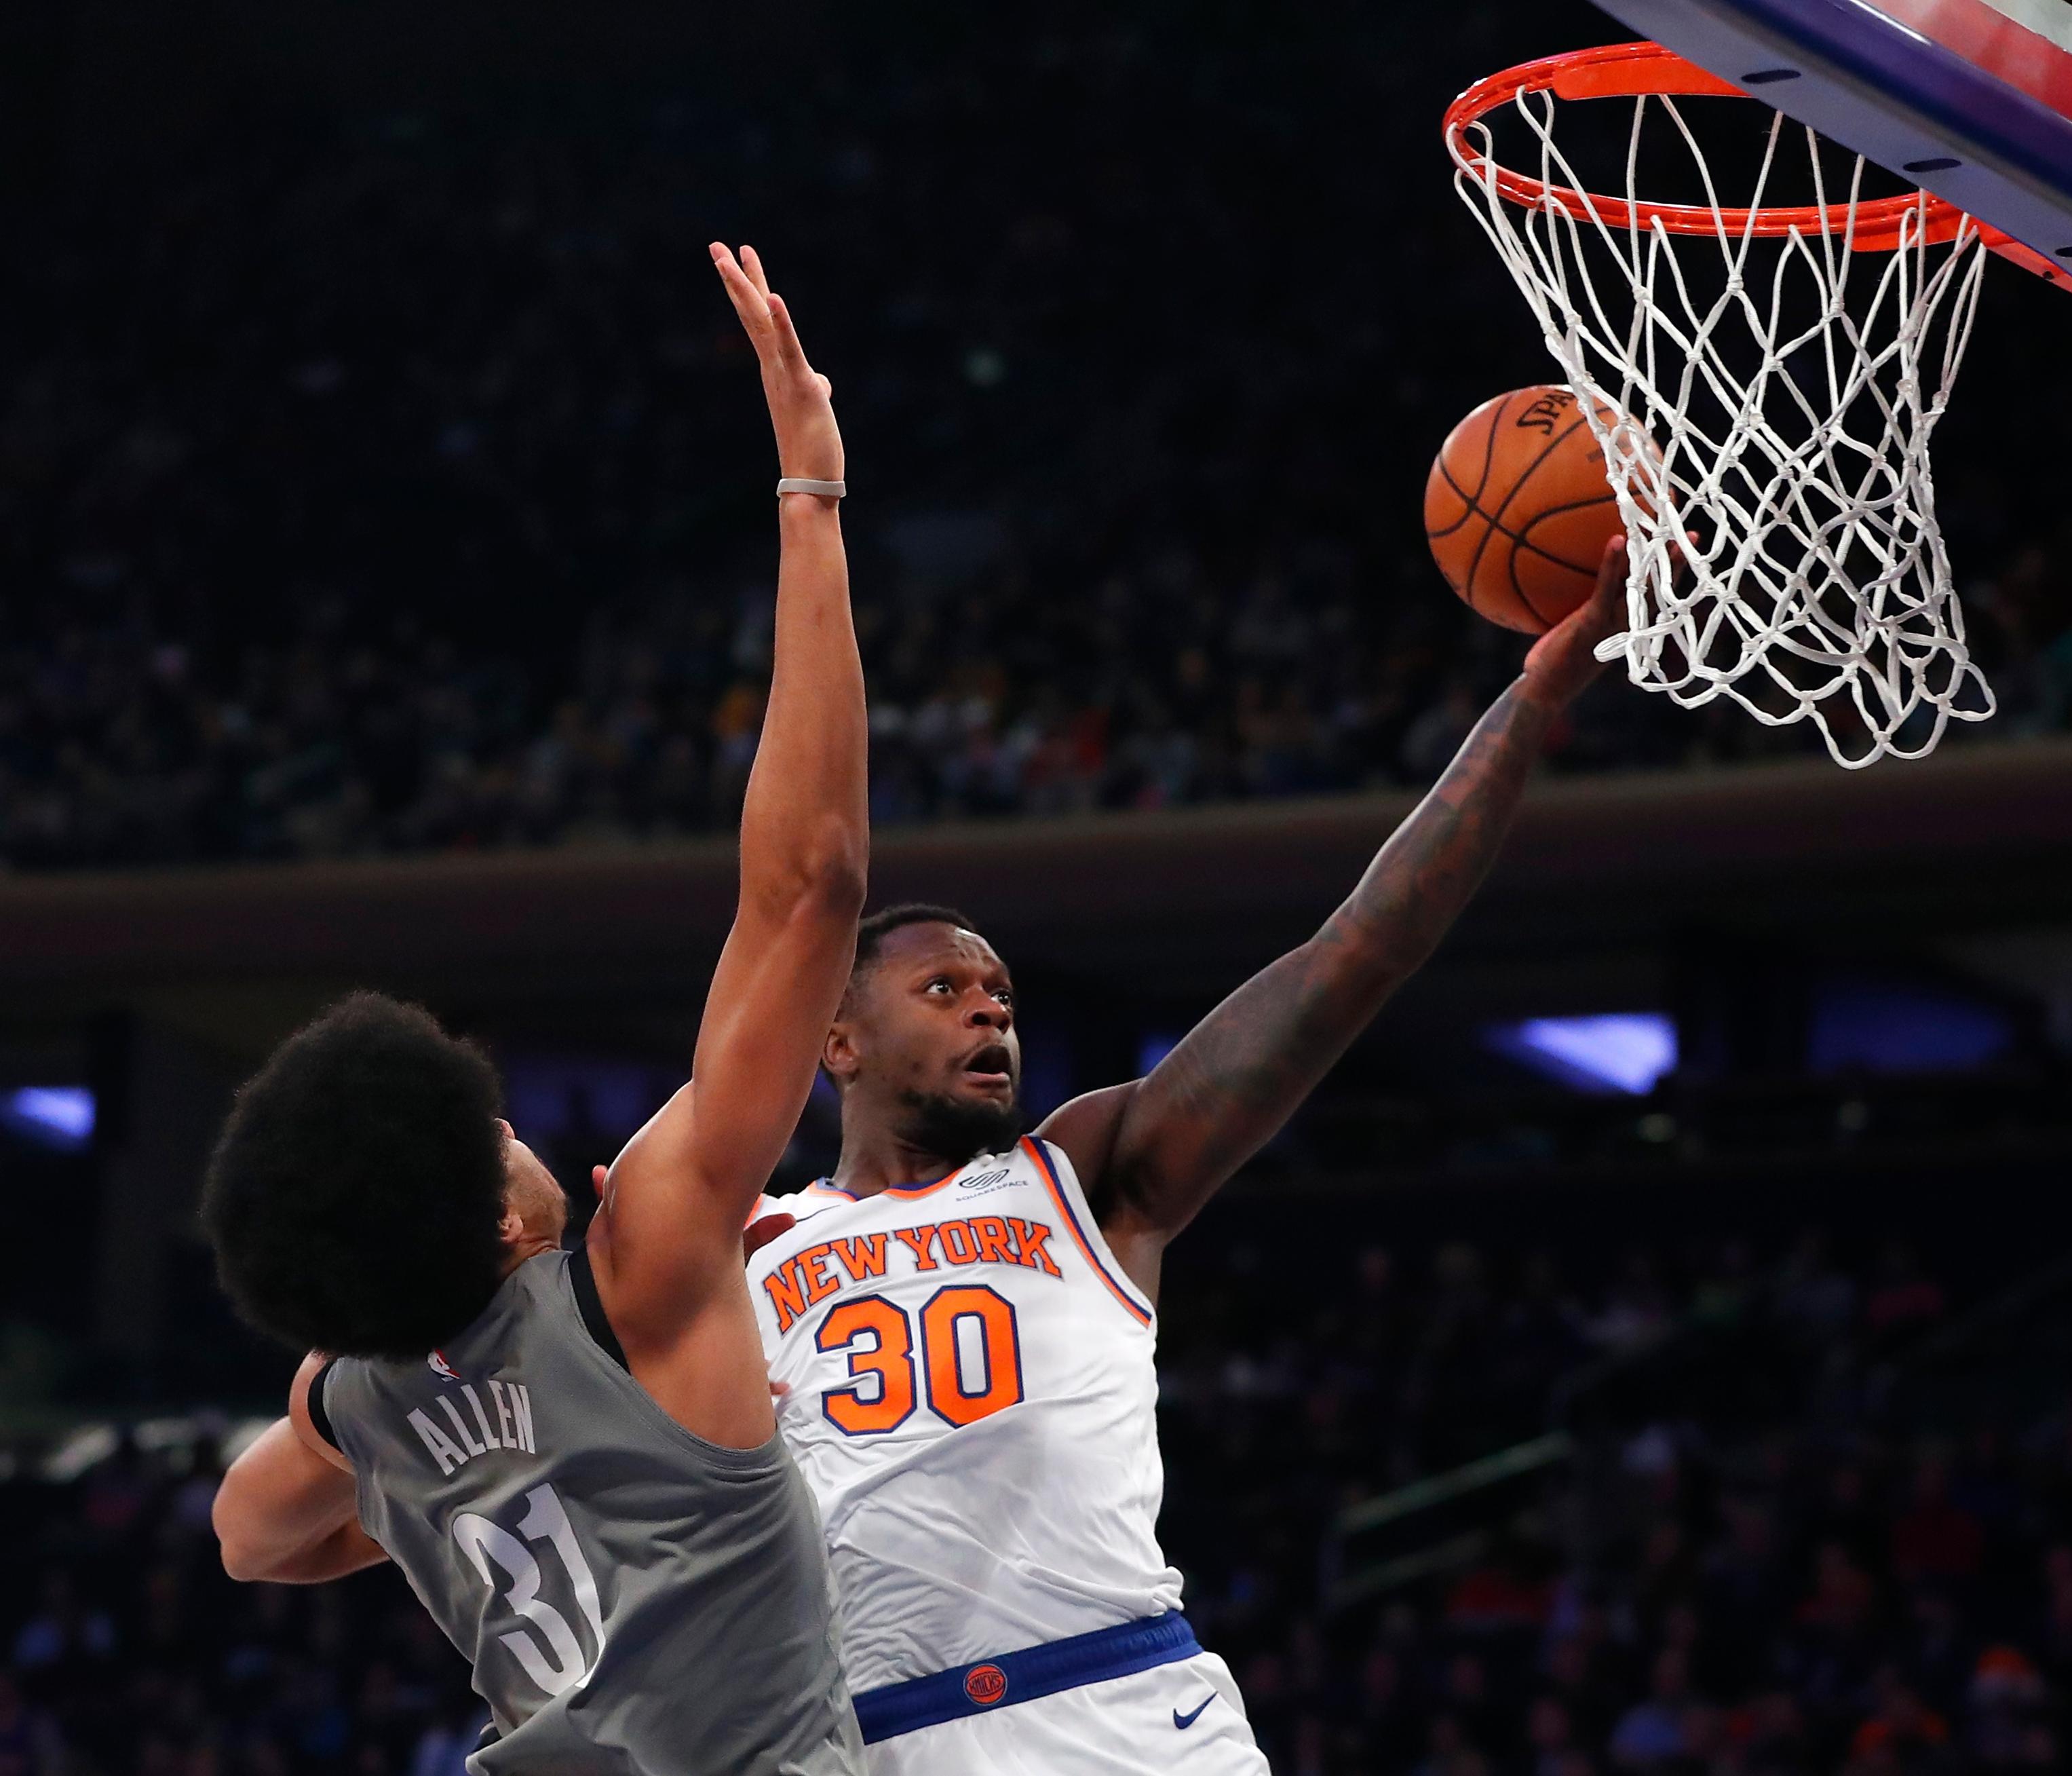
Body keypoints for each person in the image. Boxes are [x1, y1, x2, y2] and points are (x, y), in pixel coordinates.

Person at [736, 545, 1632, 1771]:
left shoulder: (1090, 1172)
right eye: (943, 987)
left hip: (1122, 1711)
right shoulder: (749, 1242)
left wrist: (1532, 700)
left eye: (999, 991)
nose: (990, 1010)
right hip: (874, 1740)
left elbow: (1352, 956)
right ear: (835, 1038)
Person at [204, 243, 872, 1775]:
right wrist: (810, 495)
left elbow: (252, 1542)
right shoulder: (637, 1263)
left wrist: (448, 1484)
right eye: (482, 1134)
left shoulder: (354, 1400)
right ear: (503, 1227)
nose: (509, 1123)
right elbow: (813, 889)